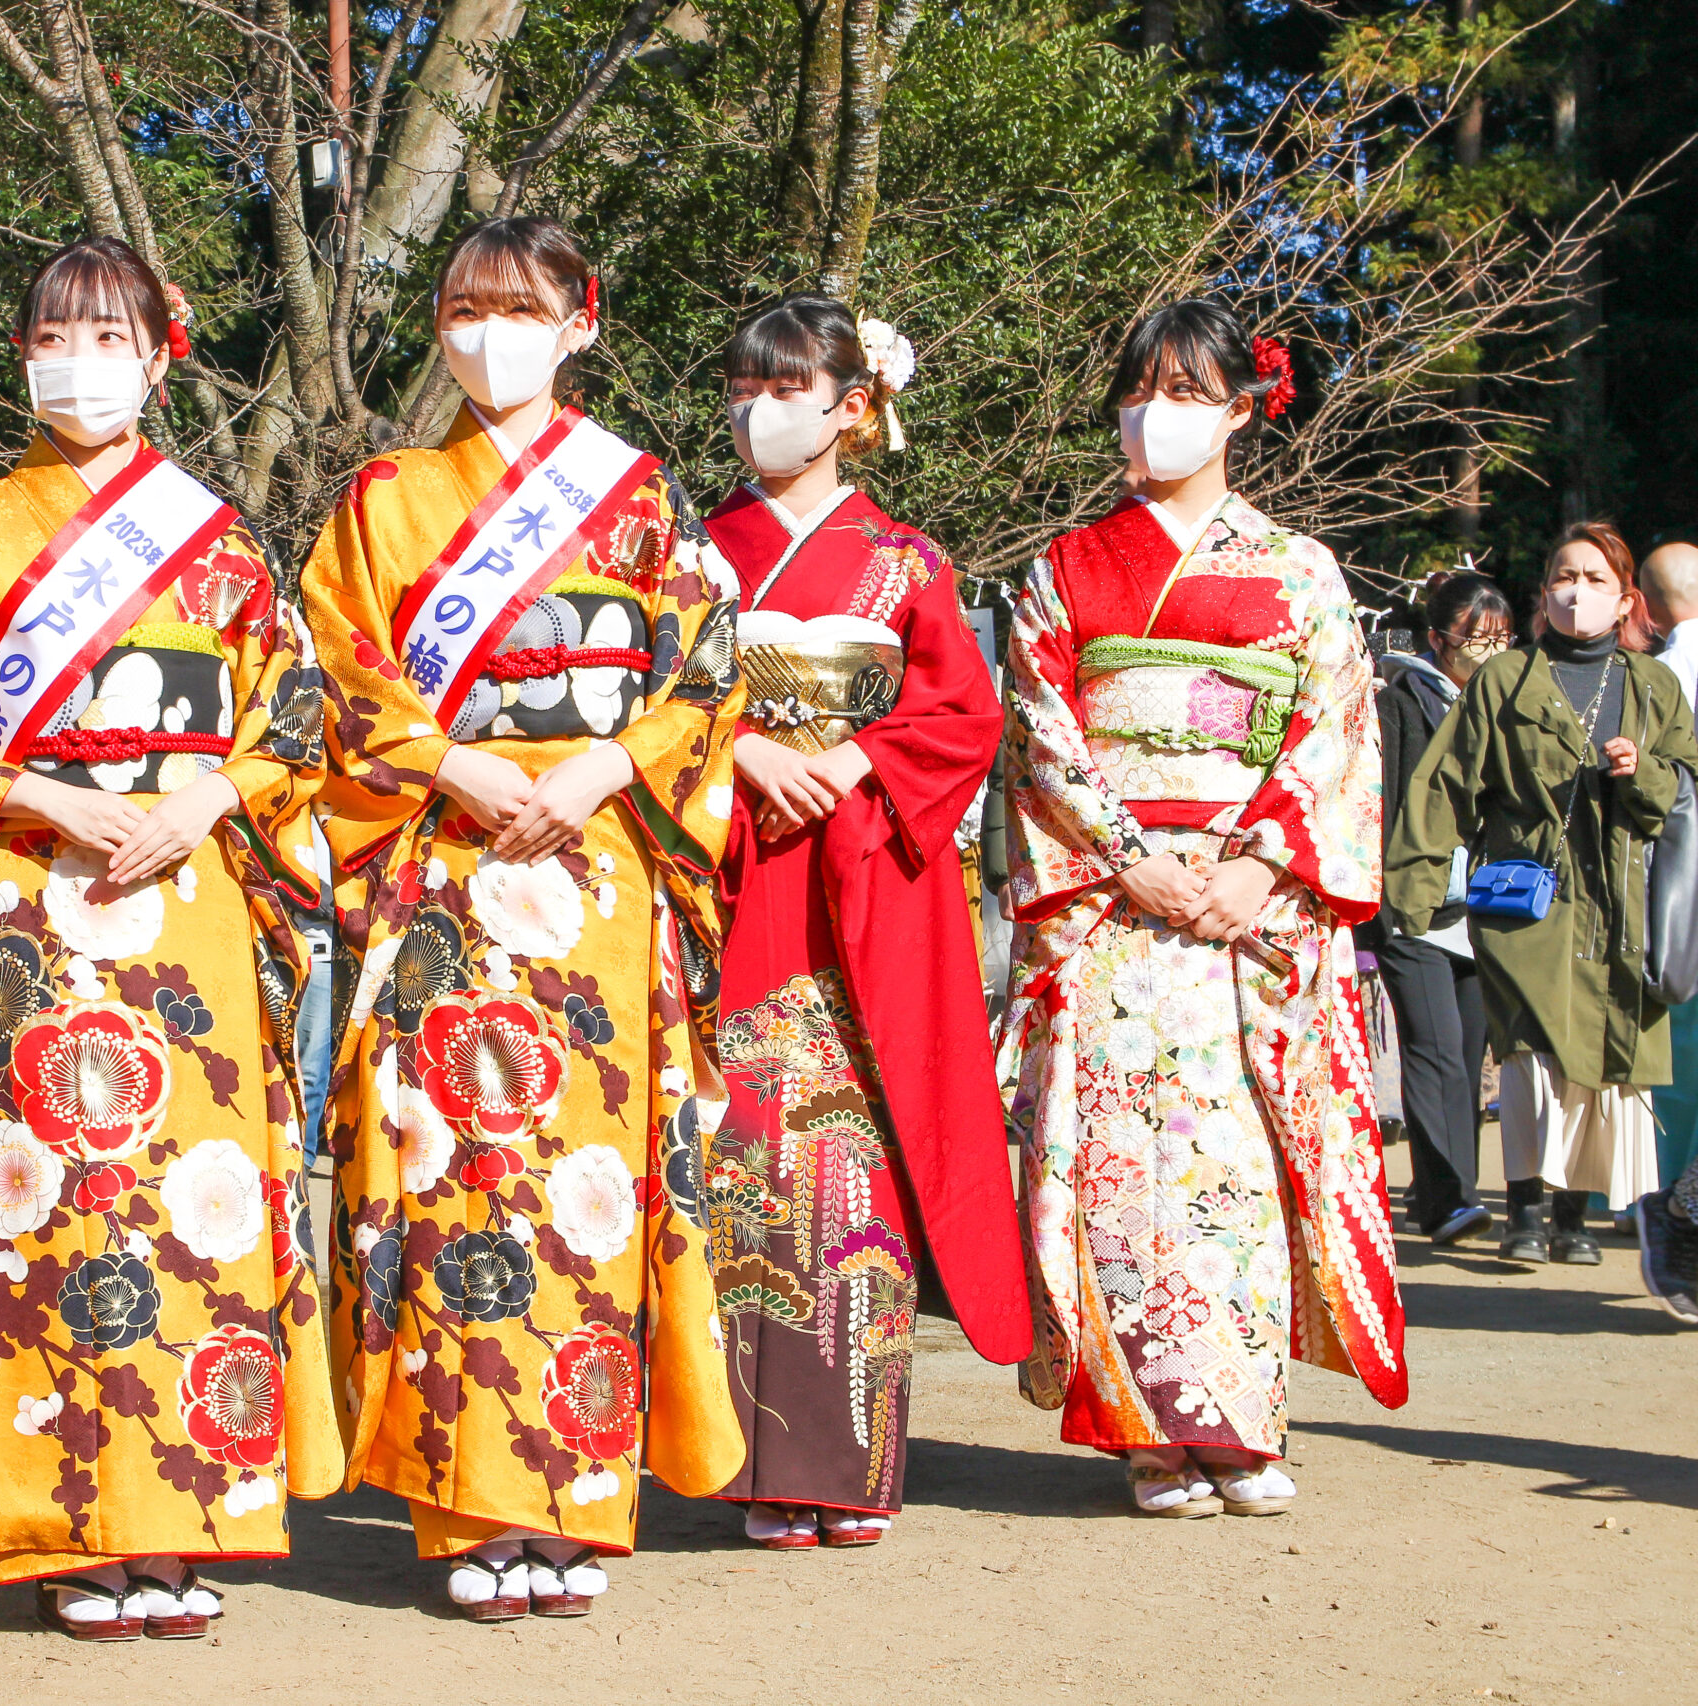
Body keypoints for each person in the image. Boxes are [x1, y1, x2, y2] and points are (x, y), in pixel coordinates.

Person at [305, 216, 745, 1620]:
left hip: (601, 868)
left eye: (521, 305)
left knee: (591, 1183)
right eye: (462, 306)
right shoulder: (383, 496)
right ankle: (462, 1499)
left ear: (582, 321)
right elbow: (337, 667)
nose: (487, 330)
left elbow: (703, 666)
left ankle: (580, 1495)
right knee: (445, 1173)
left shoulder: (638, 495)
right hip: (445, 862)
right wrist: (458, 764)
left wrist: (611, 761)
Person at [0, 236, 340, 1635]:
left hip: (186, 897)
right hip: (28, 893)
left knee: (189, 1207)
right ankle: (65, 1520)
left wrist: (207, 793)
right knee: (36, 1199)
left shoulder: (220, 540)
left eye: (108, 337)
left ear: (164, 355)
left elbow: (289, 711)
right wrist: (43, 794)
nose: (75, 361)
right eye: (52, 333)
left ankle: (188, 1509)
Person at [1001, 298, 1407, 1521]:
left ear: (1240, 408)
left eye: (1182, 391)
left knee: (1236, 1163)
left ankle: (1238, 1422)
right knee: (1121, 1165)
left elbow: (1333, 728)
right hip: (1117, 905)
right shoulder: (1063, 565)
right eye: (1136, 388)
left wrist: (1261, 868)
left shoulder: (1298, 570)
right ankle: (1145, 1429)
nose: (1150, 413)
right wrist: (1127, 857)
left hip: (1243, 904)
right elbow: (1040, 730)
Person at [699, 297, 1030, 1550]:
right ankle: (741, 1458)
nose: (755, 409)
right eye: (740, 383)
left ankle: (849, 1461)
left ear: (851, 406)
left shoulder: (906, 561)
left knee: (850, 1169)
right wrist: (734, 747)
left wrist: (847, 767)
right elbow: (649, 697)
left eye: (784, 387)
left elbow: (961, 716)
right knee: (739, 1163)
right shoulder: (684, 552)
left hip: (859, 878)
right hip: (733, 874)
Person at [1390, 523, 1697, 1265]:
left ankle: (1571, 1219)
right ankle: (1524, 1207)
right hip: (1525, 896)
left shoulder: (1652, 685)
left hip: (1622, 900)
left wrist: (1644, 773)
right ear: (1545, 590)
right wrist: (1415, 890)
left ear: (1626, 599)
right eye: (1564, 575)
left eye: (1594, 579)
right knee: (1531, 1055)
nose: (1575, 591)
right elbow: (1444, 785)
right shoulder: (1504, 680)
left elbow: (1686, 788)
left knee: (1596, 1056)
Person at [1366, 573, 1513, 1246]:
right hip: (1415, 899)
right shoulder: (1401, 699)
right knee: (1434, 1050)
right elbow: (1389, 795)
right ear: (1437, 639)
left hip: (1482, 901)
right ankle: (1446, 1198)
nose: (1488, 651)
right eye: (1474, 640)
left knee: (1471, 1046)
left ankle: (1458, 1193)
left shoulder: (1507, 701)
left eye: (1500, 639)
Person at [1636, 539, 1698, 1321]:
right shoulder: (1669, 677)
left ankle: (1673, 1205)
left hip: (1673, 905)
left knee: (1682, 1073)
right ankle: (1677, 1210)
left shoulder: (1654, 680)